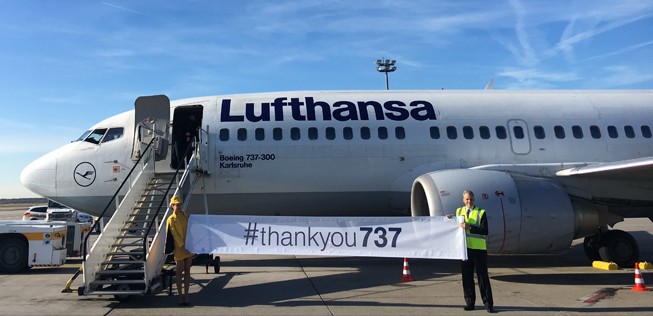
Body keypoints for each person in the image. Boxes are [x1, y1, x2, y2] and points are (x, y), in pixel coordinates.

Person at [449, 190, 495, 313]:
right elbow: (455, 225)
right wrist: (449, 219)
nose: (469, 201)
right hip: (464, 249)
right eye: (467, 199)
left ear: (474, 200)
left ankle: (488, 304)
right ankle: (470, 303)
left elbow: (485, 230)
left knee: (482, 277)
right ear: (463, 200)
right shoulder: (459, 211)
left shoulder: (481, 212)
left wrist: (470, 227)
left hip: (479, 249)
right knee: (467, 277)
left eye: (471, 199)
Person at [166, 195, 193, 306]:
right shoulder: (170, 219)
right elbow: (174, 234)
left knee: (187, 271)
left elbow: (189, 229)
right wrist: (182, 246)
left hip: (188, 247)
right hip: (180, 249)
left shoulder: (184, 215)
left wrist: (191, 244)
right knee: (179, 273)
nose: (178, 206)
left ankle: (186, 295)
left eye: (180, 204)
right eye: (176, 205)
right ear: (172, 206)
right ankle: (180, 295)